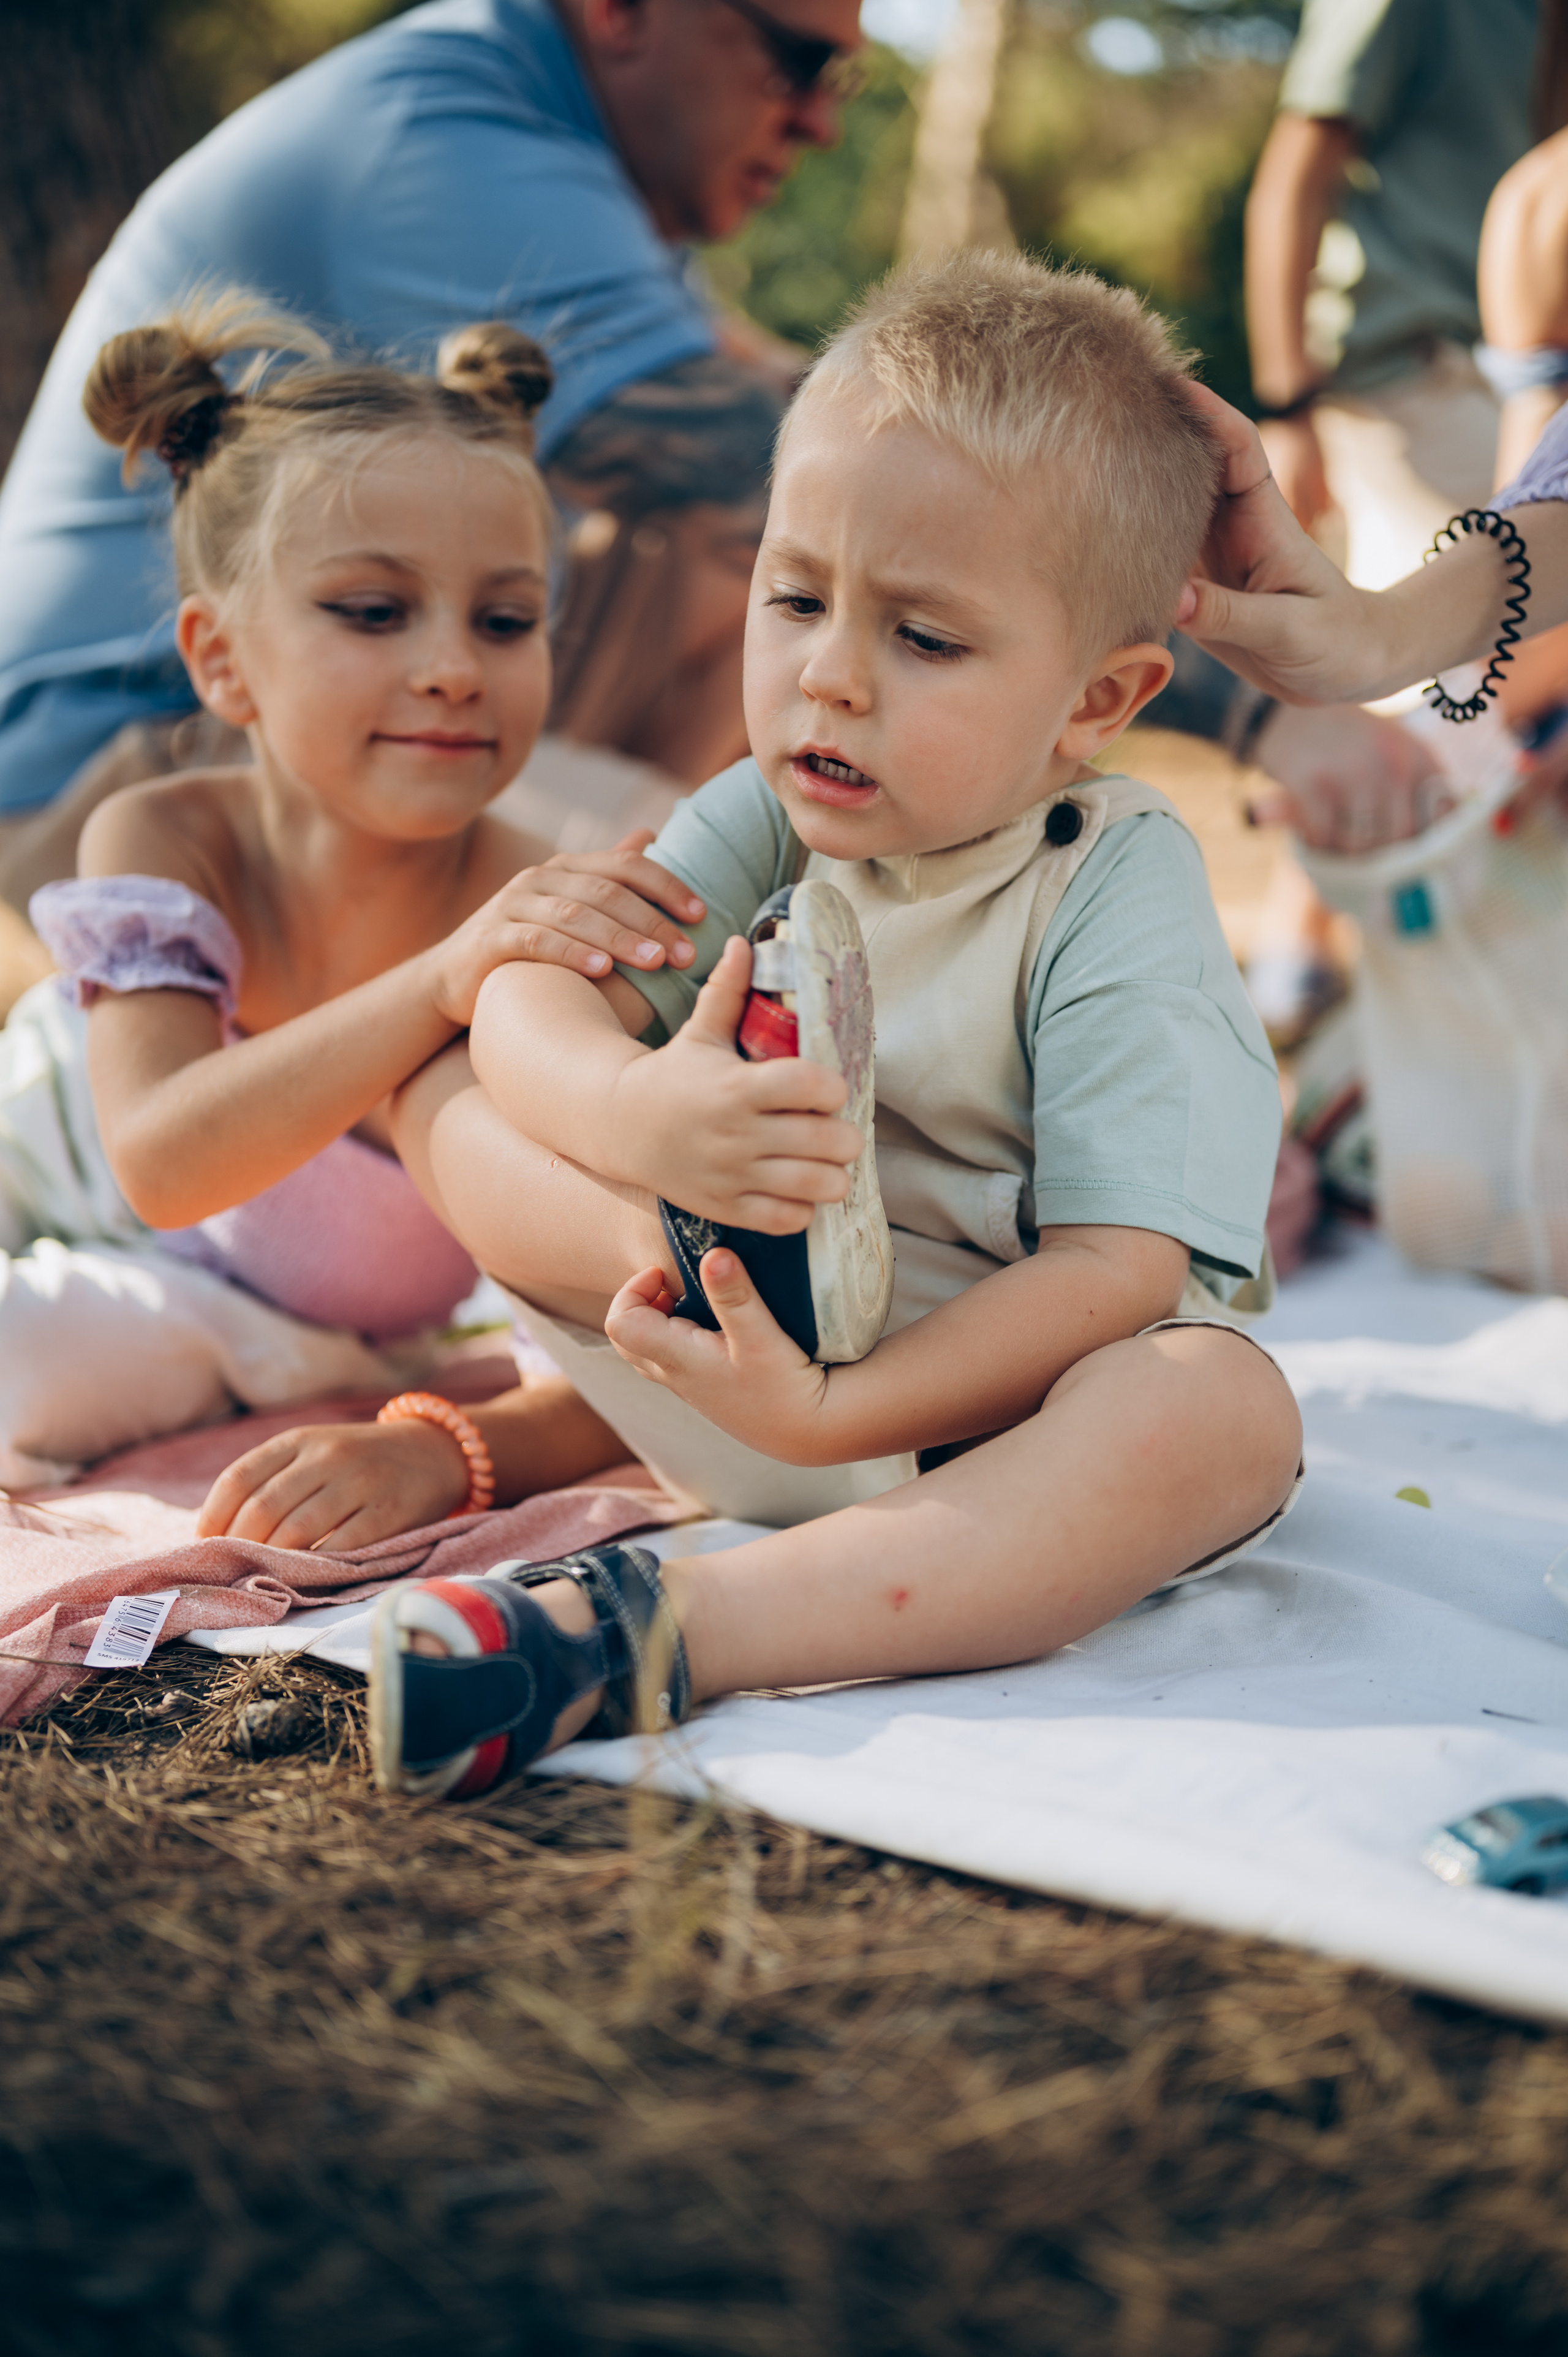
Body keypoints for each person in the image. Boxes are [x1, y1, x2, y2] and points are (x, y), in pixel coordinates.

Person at [357, 254, 1305, 1801]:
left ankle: (659, 1630)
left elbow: (1118, 1267)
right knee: (439, 1084)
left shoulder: (1112, 881)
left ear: (1095, 699)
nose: (828, 677)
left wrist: (836, 1412)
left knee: (1215, 1407)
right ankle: (705, 1350)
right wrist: (630, 1118)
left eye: (924, 640)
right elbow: (536, 989)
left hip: (970, 1429)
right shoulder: (766, 808)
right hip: (709, 1320)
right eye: (794, 596)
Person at [1, 295, 707, 1506]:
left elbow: (648, 1347)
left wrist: (451, 1451)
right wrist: (439, 980)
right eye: (373, 612)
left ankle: (294, 1378)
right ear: (222, 659)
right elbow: (162, 1159)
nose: (452, 666)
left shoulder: (535, 919)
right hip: (59, 1184)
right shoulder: (171, 834)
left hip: (275, 1325)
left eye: (505, 619)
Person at [0, 0, 859, 901]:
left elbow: (795, 396)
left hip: (319, 709)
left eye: (842, 80)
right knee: (790, 558)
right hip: (114, 774)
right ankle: (680, 885)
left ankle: (686, 870)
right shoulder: (457, 145)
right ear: (621, 11)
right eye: (797, 63)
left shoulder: (572, 154)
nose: (824, 122)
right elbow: (771, 457)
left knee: (786, 593)